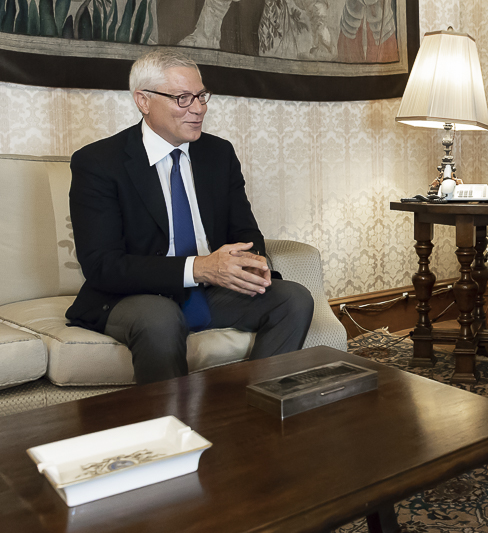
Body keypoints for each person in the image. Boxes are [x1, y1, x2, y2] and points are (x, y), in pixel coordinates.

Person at [66, 49, 315, 384]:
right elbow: (102, 266)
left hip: (209, 289)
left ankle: (257, 412)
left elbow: (244, 230)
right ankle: (173, 431)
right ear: (144, 100)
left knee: (293, 299)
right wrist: (200, 267)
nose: (198, 109)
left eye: (200, 96)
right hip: (132, 296)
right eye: (182, 98)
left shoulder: (218, 153)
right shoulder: (98, 163)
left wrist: (249, 260)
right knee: (160, 319)